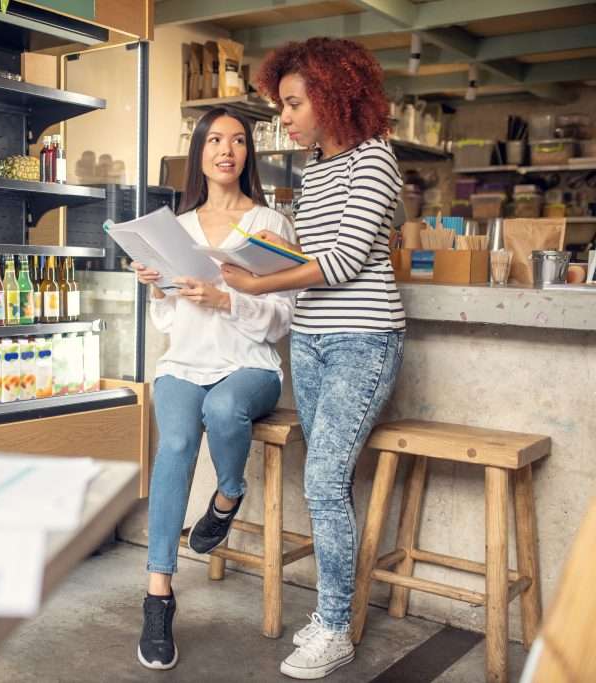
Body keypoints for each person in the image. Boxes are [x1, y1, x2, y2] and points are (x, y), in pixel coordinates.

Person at [220, 38, 406, 679]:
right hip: (311, 338)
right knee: (325, 480)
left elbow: (343, 262)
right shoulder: (318, 168)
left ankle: (334, 628)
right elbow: (307, 255)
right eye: (282, 104)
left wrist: (256, 282)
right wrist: (249, 257)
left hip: (364, 339)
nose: (286, 117)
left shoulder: (375, 159)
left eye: (294, 104)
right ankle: (330, 615)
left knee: (325, 480)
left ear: (333, 96)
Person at [132, 107, 296, 671]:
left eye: (239, 141)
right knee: (176, 444)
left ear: (249, 153)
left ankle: (227, 497)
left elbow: (282, 319)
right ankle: (158, 597)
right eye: (216, 140)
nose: (227, 150)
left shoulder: (271, 224)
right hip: (184, 363)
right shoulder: (175, 229)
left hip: (249, 365)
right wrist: (158, 289)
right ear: (199, 152)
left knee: (225, 408)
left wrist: (226, 300)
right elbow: (167, 322)